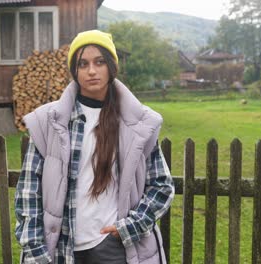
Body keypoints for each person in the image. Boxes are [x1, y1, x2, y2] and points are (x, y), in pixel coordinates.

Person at [14, 30, 175, 264]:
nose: (91, 70)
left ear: (111, 67)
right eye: (83, 64)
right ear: (74, 71)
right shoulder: (48, 122)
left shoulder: (138, 124)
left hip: (112, 248)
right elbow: (28, 192)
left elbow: (162, 185)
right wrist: (36, 251)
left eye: (99, 62)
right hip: (60, 249)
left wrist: (130, 227)